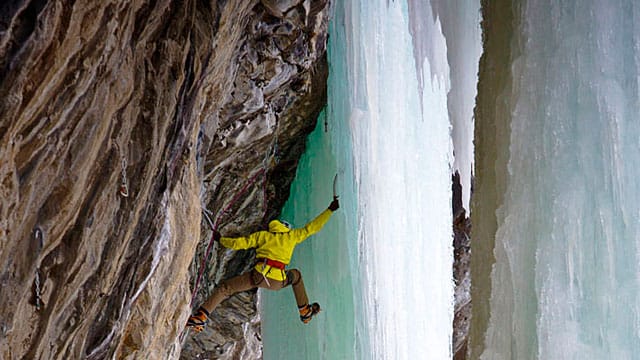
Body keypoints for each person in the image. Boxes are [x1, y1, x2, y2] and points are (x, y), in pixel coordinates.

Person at [187, 197, 340, 333]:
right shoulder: (292, 237)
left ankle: (202, 315)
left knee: (226, 288)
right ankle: (305, 311)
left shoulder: (263, 236)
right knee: (296, 276)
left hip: (258, 276)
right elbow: (312, 227)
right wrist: (330, 210)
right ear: (286, 228)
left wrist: (220, 239)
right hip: (277, 281)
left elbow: (239, 243)